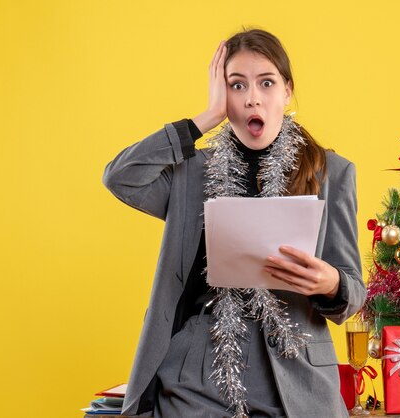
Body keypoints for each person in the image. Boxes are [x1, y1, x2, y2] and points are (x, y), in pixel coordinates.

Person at [103, 28, 366, 418]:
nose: (252, 97)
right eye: (236, 86)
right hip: (200, 368)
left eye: (266, 83)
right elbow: (120, 177)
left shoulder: (332, 173)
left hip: (295, 372)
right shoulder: (193, 173)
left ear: (287, 91)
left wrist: (331, 283)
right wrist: (204, 119)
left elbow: (353, 290)